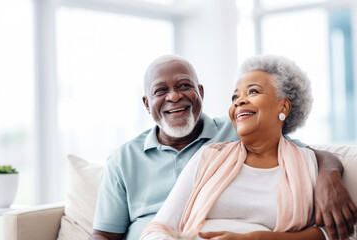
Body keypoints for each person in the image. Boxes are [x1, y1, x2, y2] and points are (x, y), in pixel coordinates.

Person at [90, 55, 356, 240]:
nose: (174, 96)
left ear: (200, 93)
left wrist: (329, 176)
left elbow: (305, 154)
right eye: (161, 91)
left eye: (184, 86)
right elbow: (107, 233)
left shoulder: (240, 134)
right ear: (147, 104)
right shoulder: (127, 159)